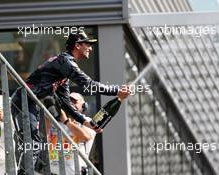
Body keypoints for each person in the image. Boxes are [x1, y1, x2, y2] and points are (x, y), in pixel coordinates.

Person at [11, 30, 130, 174]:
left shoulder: (63, 73)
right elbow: (88, 84)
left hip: (30, 103)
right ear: (78, 45)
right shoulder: (65, 61)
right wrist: (115, 90)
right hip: (23, 100)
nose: (90, 48)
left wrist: (86, 123)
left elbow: (65, 104)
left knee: (34, 143)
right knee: (33, 143)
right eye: (88, 44)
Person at [48, 92, 96, 175]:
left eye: (74, 101)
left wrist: (66, 121)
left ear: (84, 106)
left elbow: (86, 136)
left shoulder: (88, 121)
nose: (70, 104)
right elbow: (43, 135)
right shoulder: (55, 121)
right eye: (68, 101)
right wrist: (49, 114)